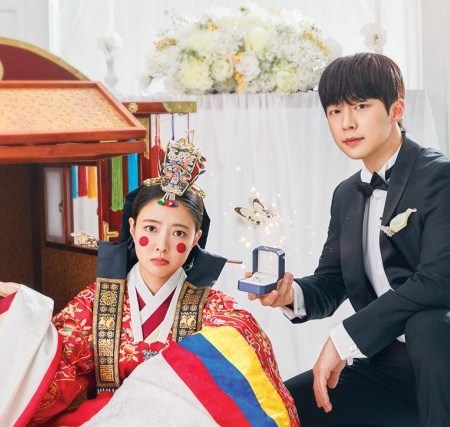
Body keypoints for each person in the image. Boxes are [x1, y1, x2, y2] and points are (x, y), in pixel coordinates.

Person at [0, 136, 299, 426]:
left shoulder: (214, 311)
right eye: (151, 228)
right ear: (132, 228)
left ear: (196, 238)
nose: (161, 245)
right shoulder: (94, 305)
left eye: (178, 233)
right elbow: (49, 368)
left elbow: (241, 362)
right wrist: (20, 312)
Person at [248, 52, 450, 427]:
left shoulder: (440, 177)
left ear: (396, 109)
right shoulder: (346, 194)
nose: (347, 123)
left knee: (427, 324)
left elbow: (439, 281)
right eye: (335, 111)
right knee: (279, 410)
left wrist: (344, 338)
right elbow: (332, 281)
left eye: (360, 106)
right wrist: (289, 294)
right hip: (386, 366)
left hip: (441, 361)